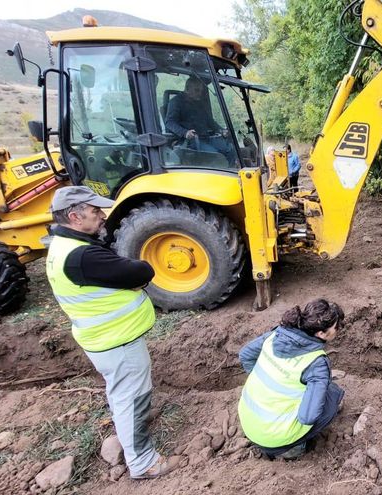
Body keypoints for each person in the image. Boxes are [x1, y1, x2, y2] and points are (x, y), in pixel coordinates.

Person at [45, 186, 182, 480]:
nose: (102, 215)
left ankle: (132, 430)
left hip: (107, 339)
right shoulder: (82, 256)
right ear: (74, 216)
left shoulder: (64, 246)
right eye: (94, 211)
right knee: (131, 398)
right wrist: (135, 276)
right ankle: (143, 463)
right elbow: (141, 271)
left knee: (124, 394)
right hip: (116, 342)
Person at [238, 299, 345, 461]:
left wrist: (269, 377)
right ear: (321, 334)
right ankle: (293, 449)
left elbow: (245, 355)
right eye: (336, 327)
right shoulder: (316, 363)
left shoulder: (276, 335)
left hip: (248, 424)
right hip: (275, 441)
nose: (338, 330)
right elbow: (307, 417)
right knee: (332, 396)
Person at [165, 78, 238, 165]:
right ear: (187, 89)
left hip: (206, 138)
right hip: (189, 141)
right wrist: (185, 133)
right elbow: (169, 122)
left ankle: (231, 170)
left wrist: (221, 130)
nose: (200, 93)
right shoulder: (176, 102)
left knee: (230, 150)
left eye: (201, 91)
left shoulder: (199, 103)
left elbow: (209, 121)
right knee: (215, 156)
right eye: (197, 90)